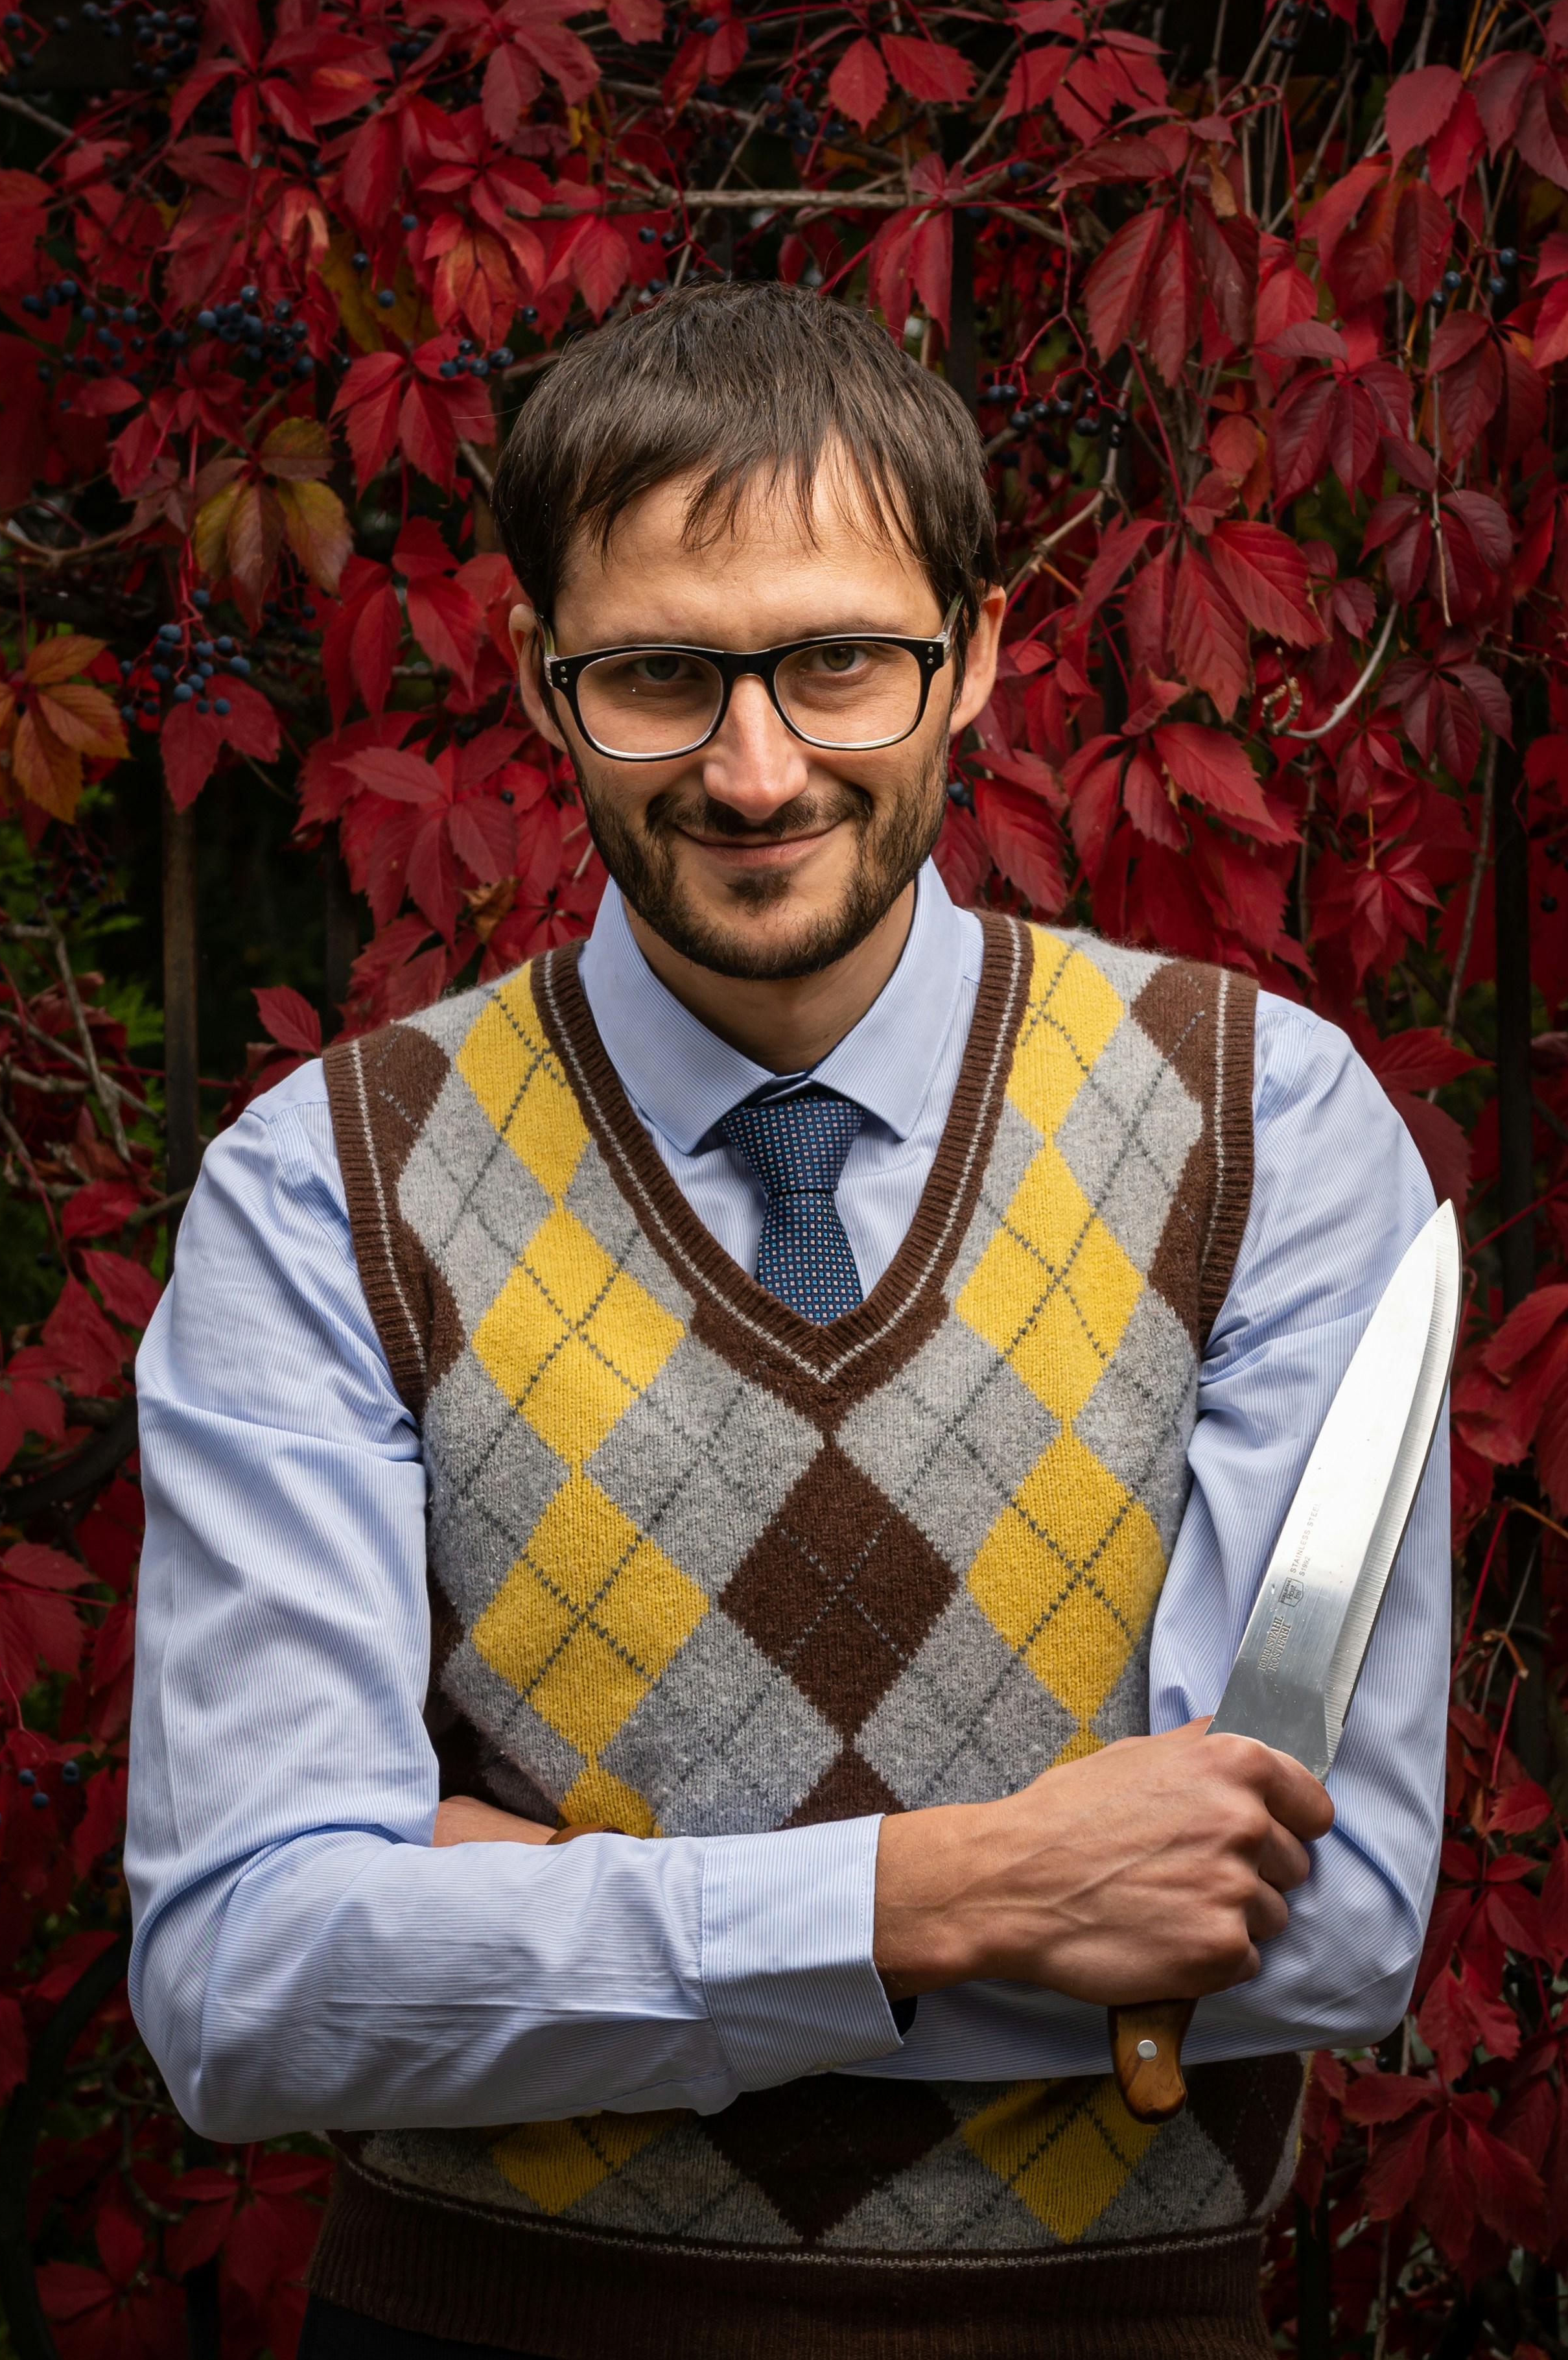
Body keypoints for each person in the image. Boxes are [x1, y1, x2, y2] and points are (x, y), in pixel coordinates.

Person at [126, 281, 1449, 2360]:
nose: (755, 770)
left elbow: (1313, 1926)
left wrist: (518, 1912)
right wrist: (956, 1893)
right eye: (661, 673)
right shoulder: (327, 1187)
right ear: (544, 679)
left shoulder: (1262, 1127)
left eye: (839, 661)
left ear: (979, 653)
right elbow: (251, 1987)